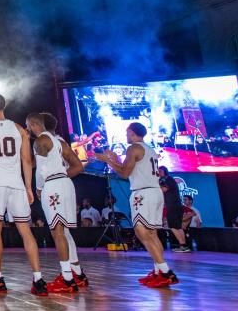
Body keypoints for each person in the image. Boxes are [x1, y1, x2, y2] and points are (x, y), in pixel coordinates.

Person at [0, 94, 47, 296]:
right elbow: (27, 161)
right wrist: (29, 187)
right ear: (4, 106)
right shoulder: (19, 129)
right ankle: (38, 279)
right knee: (26, 231)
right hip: (17, 184)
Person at [95, 123, 178, 287]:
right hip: (154, 191)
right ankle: (158, 271)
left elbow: (124, 173)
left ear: (132, 133)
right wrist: (115, 160)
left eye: (127, 133)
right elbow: (130, 168)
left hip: (143, 193)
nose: (126, 136)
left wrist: (108, 160)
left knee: (141, 232)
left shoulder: (133, 148)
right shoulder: (148, 149)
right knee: (152, 234)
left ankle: (166, 272)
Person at [29, 112, 88, 294]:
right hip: (66, 184)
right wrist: (61, 175)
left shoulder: (40, 141)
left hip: (53, 185)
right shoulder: (60, 142)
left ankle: (67, 278)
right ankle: (76, 273)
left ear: (34, 124)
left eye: (28, 125)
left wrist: (38, 188)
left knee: (58, 232)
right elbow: (78, 166)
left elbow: (39, 169)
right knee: (65, 231)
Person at [157, 166, 189, 252]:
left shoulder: (168, 179)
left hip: (173, 206)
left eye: (160, 171)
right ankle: (184, 246)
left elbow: (164, 189)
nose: (158, 172)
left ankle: (183, 246)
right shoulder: (167, 179)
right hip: (176, 206)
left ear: (165, 171)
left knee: (173, 227)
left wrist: (154, 186)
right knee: (178, 227)